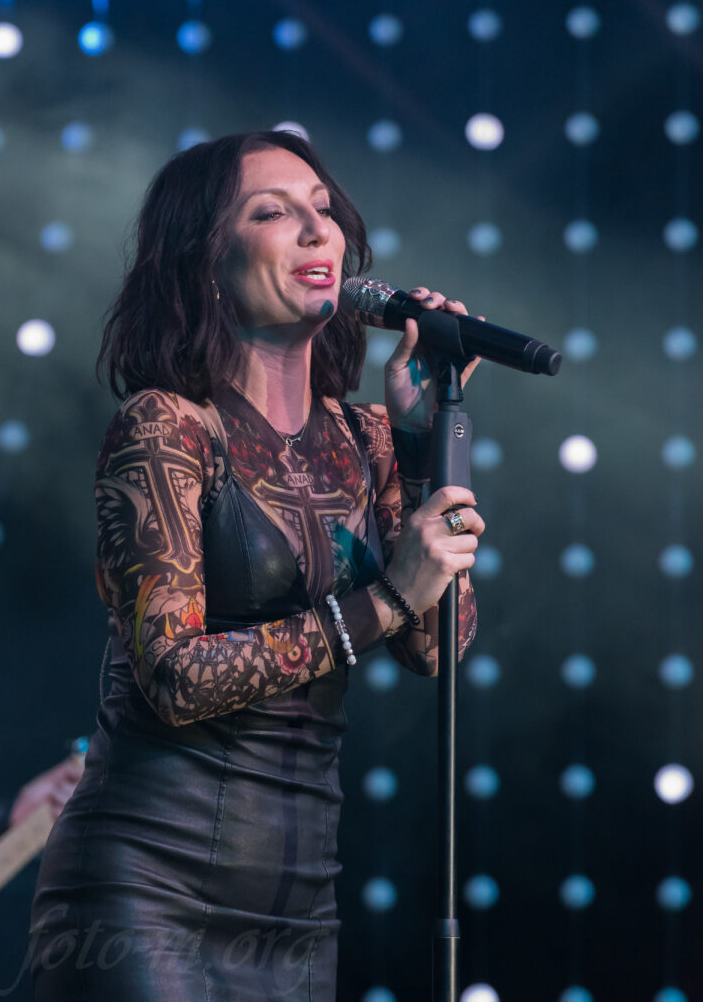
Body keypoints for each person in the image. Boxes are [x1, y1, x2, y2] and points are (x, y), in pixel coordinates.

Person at [28, 130, 485, 1001]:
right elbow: (175, 677)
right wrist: (383, 600)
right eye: (272, 213)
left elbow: (437, 648)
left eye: (324, 210)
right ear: (204, 261)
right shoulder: (167, 427)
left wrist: (425, 446)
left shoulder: (369, 439)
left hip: (298, 909)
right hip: (143, 889)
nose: (316, 231)